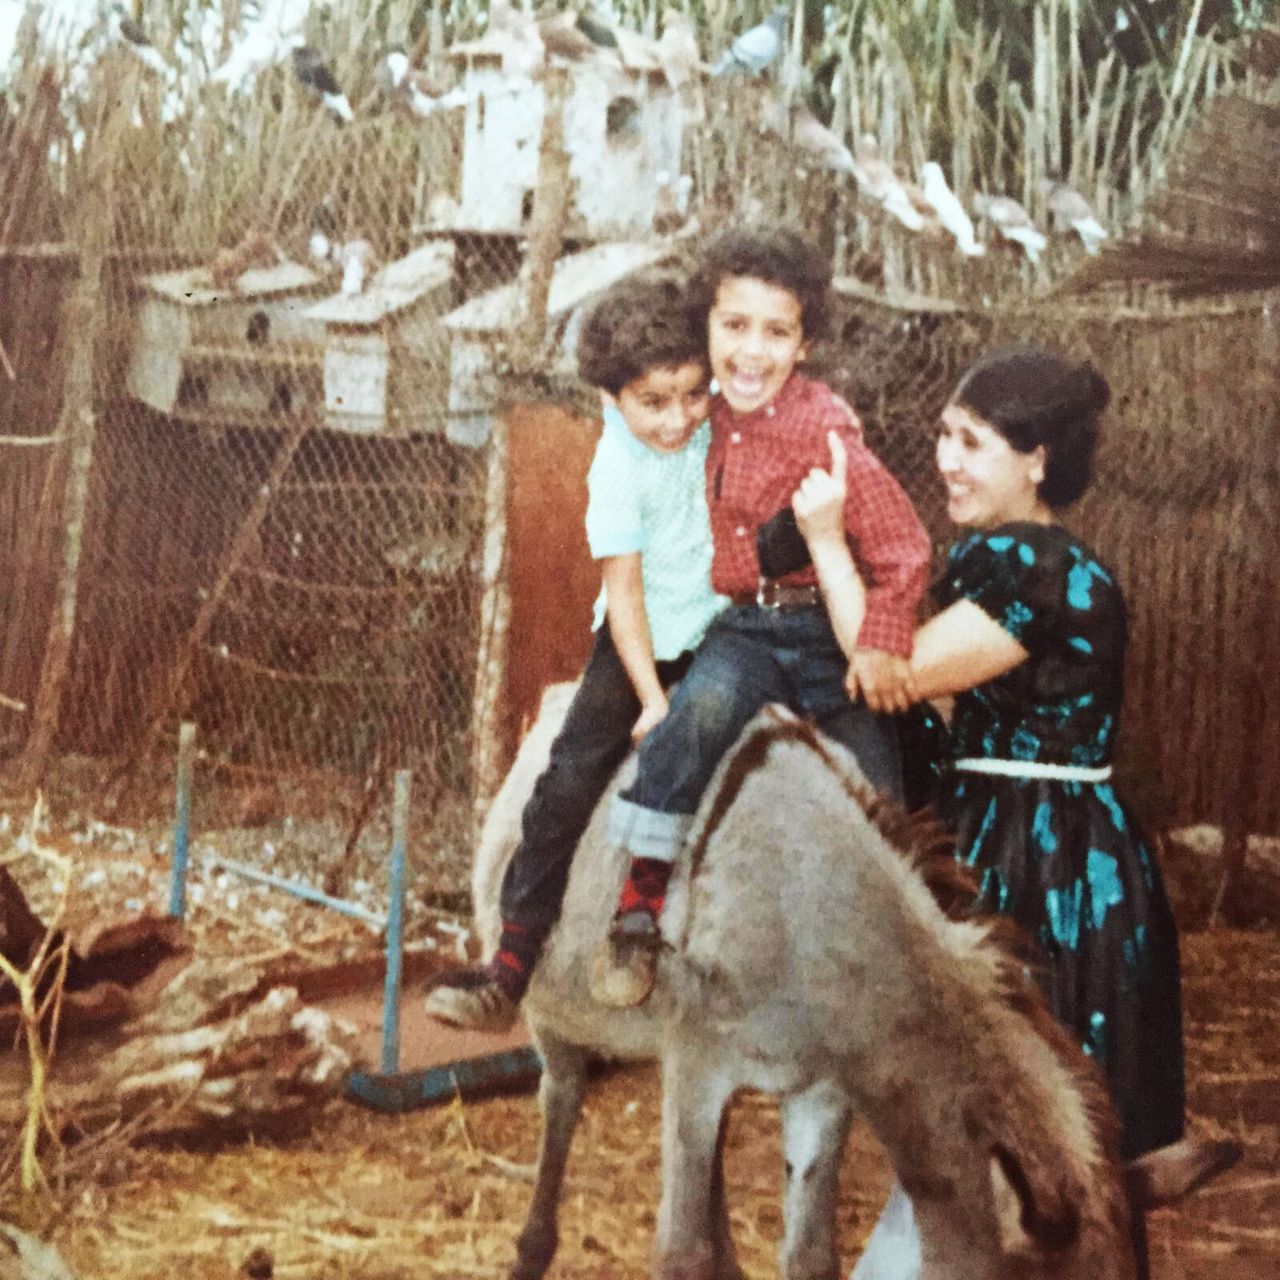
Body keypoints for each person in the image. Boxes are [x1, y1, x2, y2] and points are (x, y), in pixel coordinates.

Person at [792, 346, 1186, 1278]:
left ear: (1037, 460)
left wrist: (823, 542)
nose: (947, 460)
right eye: (943, 436)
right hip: (1042, 853)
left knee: (1001, 1136)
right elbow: (950, 705)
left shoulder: (1034, 563)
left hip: (1044, 872)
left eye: (973, 442)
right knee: (1032, 1154)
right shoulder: (1018, 564)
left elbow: (891, 673)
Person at [590, 225, 932, 1009]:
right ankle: (637, 912)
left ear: (804, 344)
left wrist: (879, 644)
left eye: (776, 332)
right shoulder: (692, 411)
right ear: (704, 327)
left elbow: (903, 546)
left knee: (877, 775)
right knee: (693, 718)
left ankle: (897, 948)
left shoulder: (824, 429)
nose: (751, 351)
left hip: (821, 630)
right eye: (733, 326)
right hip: (744, 627)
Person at [421, 270, 727, 1034]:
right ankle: (512, 962)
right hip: (640, 643)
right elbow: (624, 596)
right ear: (610, 398)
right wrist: (651, 698)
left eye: (695, 394)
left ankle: (671, 930)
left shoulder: (722, 433)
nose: (678, 417)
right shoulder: (618, 468)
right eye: (654, 401)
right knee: (567, 779)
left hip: (727, 635)